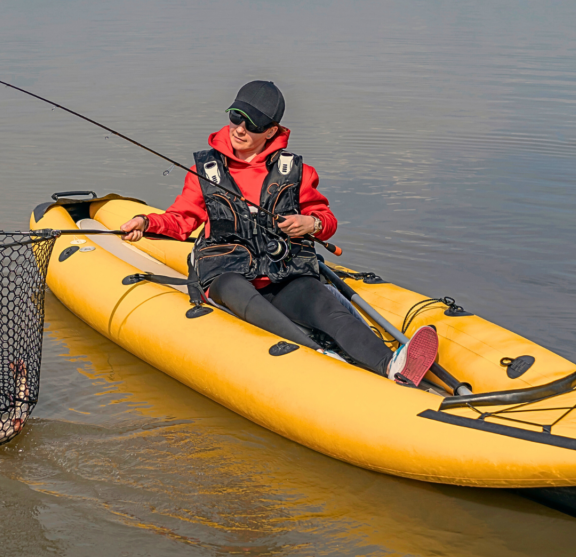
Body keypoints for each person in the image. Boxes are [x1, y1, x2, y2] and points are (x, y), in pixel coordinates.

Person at [120, 81, 436, 386]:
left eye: (251, 124)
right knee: (234, 288)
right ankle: (322, 358)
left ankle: (390, 366)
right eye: (235, 117)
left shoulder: (297, 172)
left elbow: (326, 219)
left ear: (271, 131)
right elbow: (181, 219)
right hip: (225, 275)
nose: (239, 129)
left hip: (282, 275)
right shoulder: (206, 171)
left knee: (322, 302)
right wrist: (146, 223)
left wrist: (310, 224)